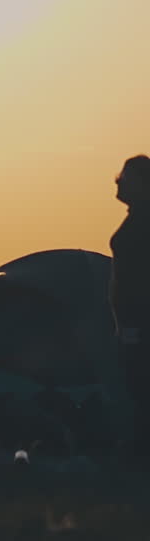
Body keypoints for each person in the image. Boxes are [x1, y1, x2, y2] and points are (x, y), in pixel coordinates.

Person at [110, 155, 150, 457]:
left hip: (141, 318)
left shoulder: (143, 219)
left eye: (125, 177)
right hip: (132, 318)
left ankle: (141, 447)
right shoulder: (136, 215)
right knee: (135, 381)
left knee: (140, 380)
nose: (118, 180)